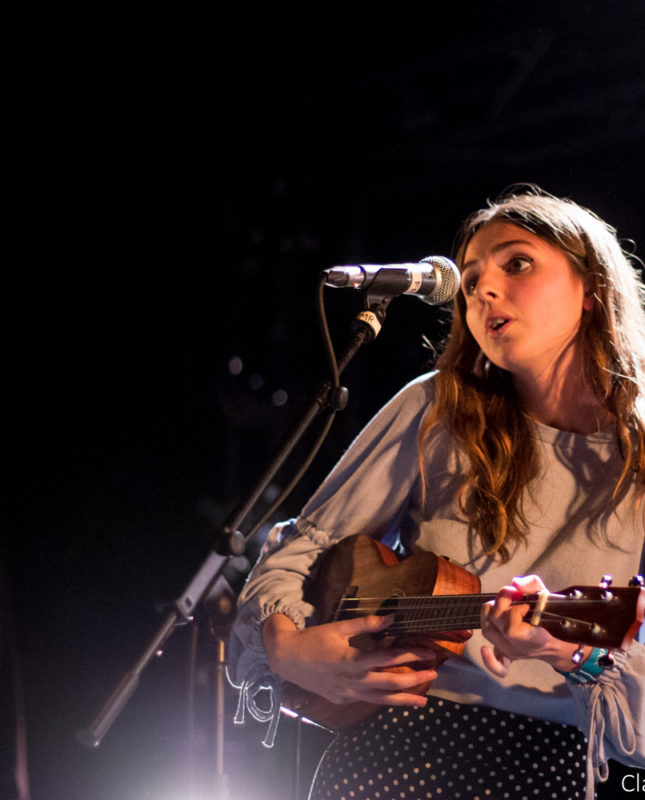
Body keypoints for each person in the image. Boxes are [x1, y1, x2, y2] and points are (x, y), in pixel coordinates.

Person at [228, 185, 645, 800]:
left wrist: (569, 652)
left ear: (591, 290)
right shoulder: (436, 409)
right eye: (472, 279)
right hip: (388, 756)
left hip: (554, 773)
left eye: (517, 262)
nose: (483, 289)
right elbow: (303, 550)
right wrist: (287, 649)